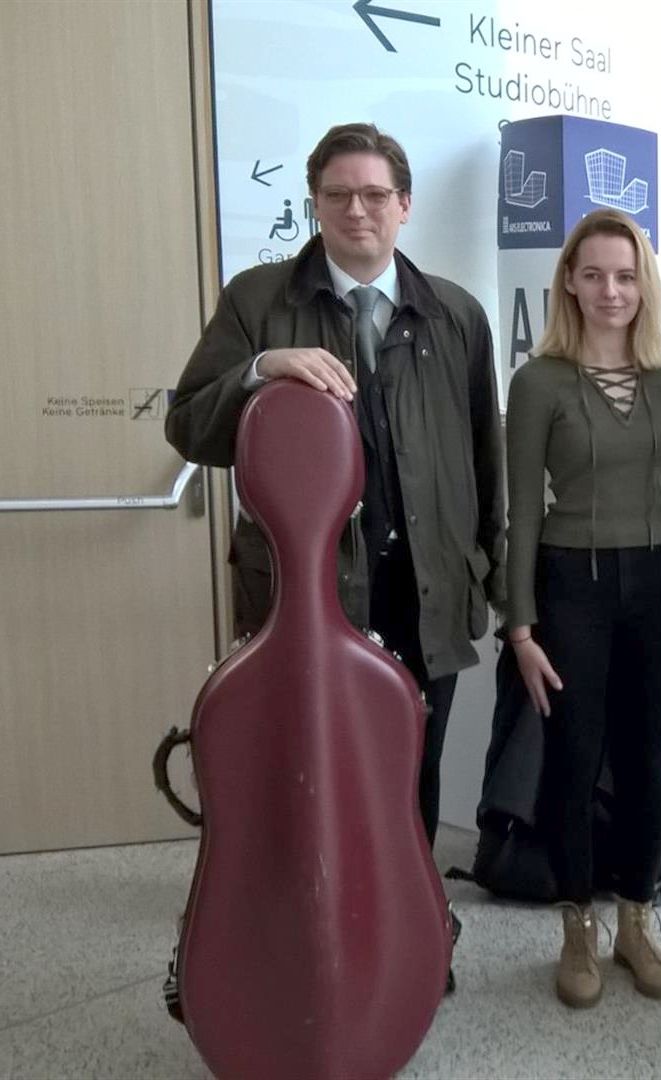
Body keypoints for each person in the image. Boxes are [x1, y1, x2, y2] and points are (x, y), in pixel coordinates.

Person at [166, 123, 504, 849]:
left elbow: (485, 463)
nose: (357, 210)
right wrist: (260, 370)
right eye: (338, 194)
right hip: (304, 589)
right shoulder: (257, 301)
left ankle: (413, 919)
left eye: (375, 195)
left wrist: (492, 580)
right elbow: (189, 426)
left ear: (404, 204)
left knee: (413, 768)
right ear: (314, 203)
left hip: (426, 587)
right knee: (305, 768)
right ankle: (308, 919)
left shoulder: (457, 315)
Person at [503, 209, 661, 1009]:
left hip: (658, 585)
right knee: (574, 760)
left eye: (624, 274)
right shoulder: (539, 381)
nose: (611, 290)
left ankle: (636, 921)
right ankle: (577, 924)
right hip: (569, 587)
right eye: (594, 275)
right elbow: (523, 509)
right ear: (570, 285)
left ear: (643, 284)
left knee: (649, 760)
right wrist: (519, 626)